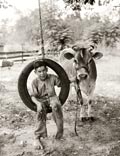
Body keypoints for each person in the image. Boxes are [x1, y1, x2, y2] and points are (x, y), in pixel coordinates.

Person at [31, 60, 63, 150]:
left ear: (47, 69)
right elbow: (33, 96)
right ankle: (38, 136)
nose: (42, 73)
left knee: (57, 106)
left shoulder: (52, 77)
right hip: (41, 99)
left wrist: (71, 80)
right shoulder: (35, 82)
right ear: (35, 72)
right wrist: (38, 104)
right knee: (40, 112)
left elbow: (62, 83)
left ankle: (59, 134)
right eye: (39, 71)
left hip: (52, 97)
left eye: (44, 70)